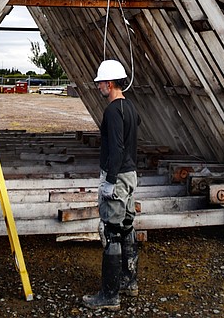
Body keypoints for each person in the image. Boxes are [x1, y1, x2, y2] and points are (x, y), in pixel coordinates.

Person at [83, 58, 141, 310]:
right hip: (130, 175)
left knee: (112, 232)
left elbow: (116, 148)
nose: (98, 87)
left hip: (117, 177)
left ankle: (110, 295)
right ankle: (129, 281)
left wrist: (109, 181)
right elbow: (130, 139)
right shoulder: (131, 108)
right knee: (127, 227)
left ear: (110, 83)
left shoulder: (112, 111)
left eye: (100, 83)